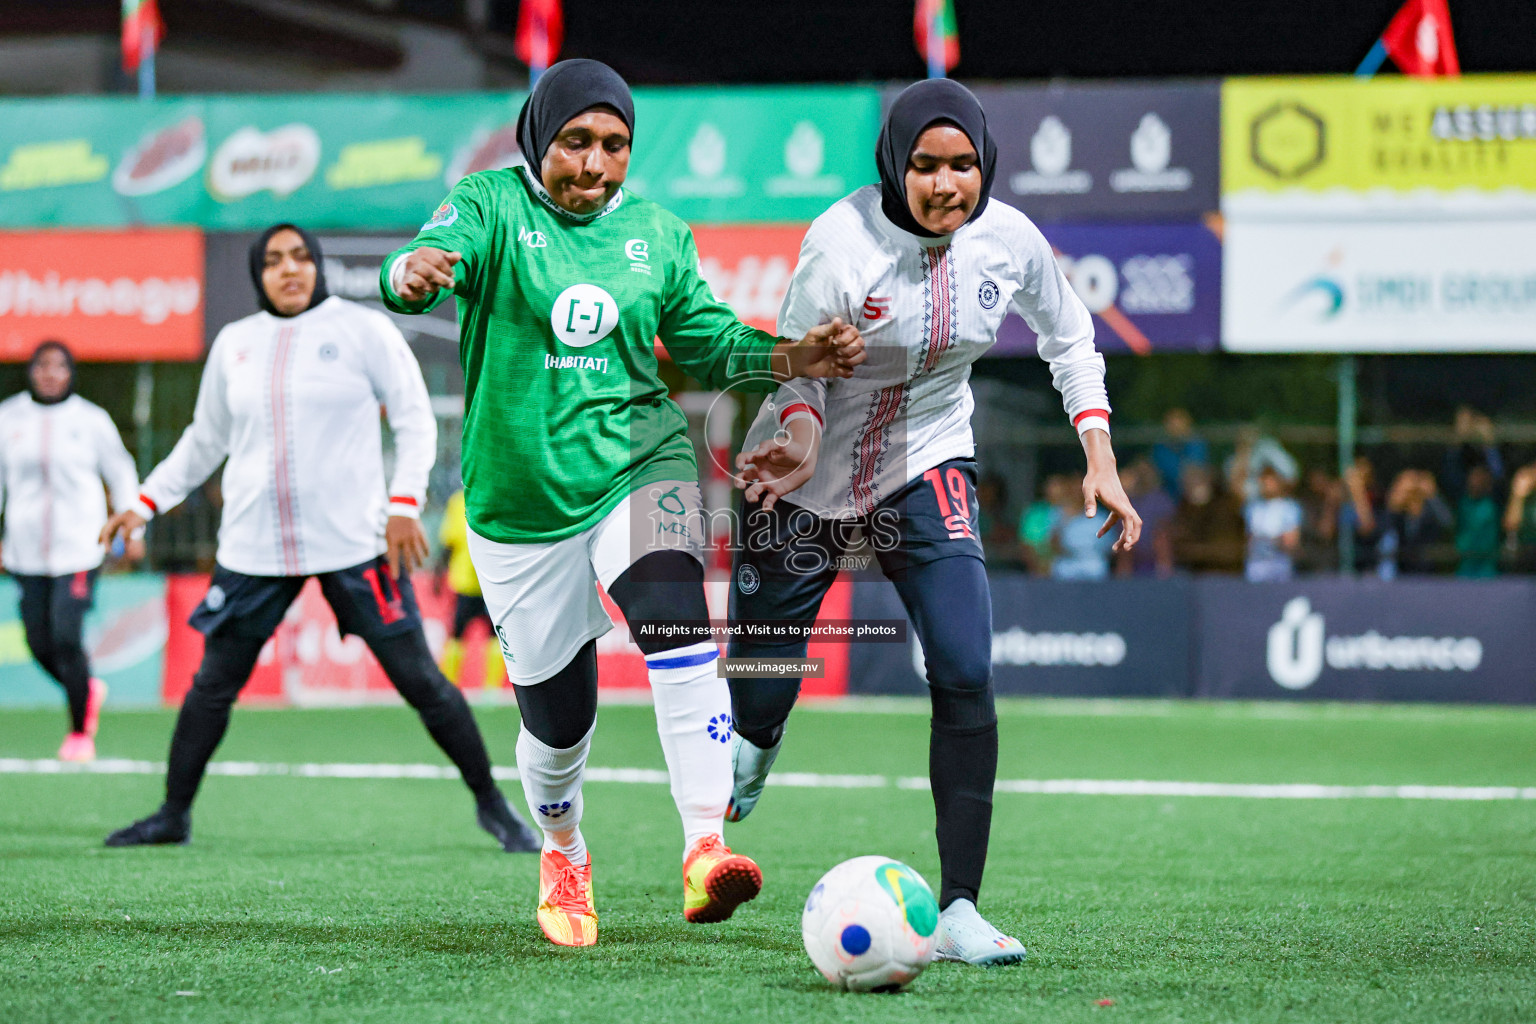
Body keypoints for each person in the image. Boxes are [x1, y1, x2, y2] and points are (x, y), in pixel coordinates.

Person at [379, 60, 865, 948]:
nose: (595, 164)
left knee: (679, 626)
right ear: (540, 139)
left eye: (614, 146)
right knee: (557, 722)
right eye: (576, 143)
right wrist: (411, 272)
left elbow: (706, 340)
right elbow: (422, 259)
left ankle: (704, 847)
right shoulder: (488, 203)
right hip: (519, 504)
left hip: (640, 465)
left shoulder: (659, 234)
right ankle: (562, 849)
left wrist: (791, 357)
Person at [723, 79, 1140, 967]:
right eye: (926, 166)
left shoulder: (1009, 240)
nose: (947, 184)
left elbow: (1071, 339)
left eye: (963, 165)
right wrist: (792, 438)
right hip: (804, 477)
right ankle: (754, 746)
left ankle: (958, 909)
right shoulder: (839, 245)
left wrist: (1099, 457)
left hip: (927, 463)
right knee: (758, 693)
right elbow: (795, 371)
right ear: (894, 165)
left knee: (963, 663)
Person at [99, 224, 538, 856]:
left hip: (356, 544)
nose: (289, 269)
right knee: (211, 686)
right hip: (252, 550)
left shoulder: (362, 331)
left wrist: (403, 507)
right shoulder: (235, 344)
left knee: (422, 681)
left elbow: (416, 419)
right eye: (274, 260)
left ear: (317, 266)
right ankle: (173, 814)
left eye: (301, 256)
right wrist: (143, 503)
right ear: (258, 274)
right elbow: (204, 441)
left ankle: (494, 809)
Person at [0, 341, 140, 762]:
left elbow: (120, 470)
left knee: (66, 633)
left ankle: (80, 732)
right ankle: (86, 688)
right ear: (31, 371)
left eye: (59, 366)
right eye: (42, 366)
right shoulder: (9, 417)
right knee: (37, 639)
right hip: (26, 550)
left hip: (80, 545)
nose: (50, 374)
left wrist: (132, 526)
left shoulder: (90, 420)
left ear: (70, 372)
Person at [435, 488, 504, 690]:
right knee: (463, 633)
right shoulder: (465, 500)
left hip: (485, 582)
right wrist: (439, 574)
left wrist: (438, 574)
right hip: (474, 582)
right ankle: (453, 685)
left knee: (487, 634)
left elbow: (448, 542)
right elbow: (449, 542)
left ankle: (489, 688)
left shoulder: (460, 500)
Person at [1169, 464, 1245, 574]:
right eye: (1187, 484)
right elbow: (1180, 549)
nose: (1192, 487)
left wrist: (1199, 551)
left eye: (1197, 481)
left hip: (1227, 574)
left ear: (1208, 481)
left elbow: (1231, 551)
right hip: (1196, 578)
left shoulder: (1227, 506)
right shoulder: (1184, 509)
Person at [1050, 473, 1116, 581]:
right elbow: (1054, 545)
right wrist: (1065, 520)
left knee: (1098, 568)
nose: (1078, 492)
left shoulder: (1101, 517)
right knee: (1061, 568)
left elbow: (1110, 548)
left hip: (1094, 564)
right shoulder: (1058, 514)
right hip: (1068, 563)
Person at [1243, 465, 1302, 582]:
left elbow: (1291, 541)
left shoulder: (1289, 507)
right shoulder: (1252, 507)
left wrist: (1269, 541)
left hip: (1280, 563)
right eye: (1264, 482)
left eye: (1271, 482)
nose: (1267, 485)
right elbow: (1248, 538)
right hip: (1256, 563)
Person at [1455, 464, 1500, 578]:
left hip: (1488, 569)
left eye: (1481, 477)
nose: (1476, 481)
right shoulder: (1462, 504)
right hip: (1465, 568)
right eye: (1474, 477)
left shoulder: (1493, 505)